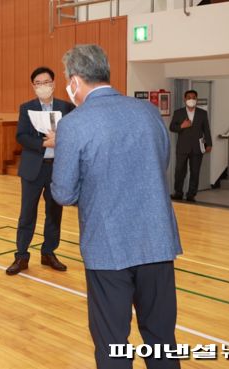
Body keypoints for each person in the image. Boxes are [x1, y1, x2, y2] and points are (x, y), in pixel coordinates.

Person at [51, 44, 182, 369]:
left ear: (76, 81)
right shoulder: (149, 112)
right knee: (162, 341)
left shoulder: (74, 124)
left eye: (68, 80)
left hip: (108, 248)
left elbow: (63, 193)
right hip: (156, 242)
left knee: (112, 345)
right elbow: (160, 163)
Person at [6, 67, 75, 275]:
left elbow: (74, 134)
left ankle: (48, 253)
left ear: (53, 84)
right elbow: (21, 136)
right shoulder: (26, 108)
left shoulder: (67, 107)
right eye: (38, 83)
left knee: (54, 214)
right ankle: (21, 255)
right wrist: (44, 143)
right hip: (33, 169)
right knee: (27, 213)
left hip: (57, 169)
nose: (43, 86)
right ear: (33, 86)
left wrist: (59, 140)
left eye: (46, 82)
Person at [169, 90, 212, 202]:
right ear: (185, 99)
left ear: (196, 99)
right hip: (182, 147)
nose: (191, 99)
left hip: (197, 148)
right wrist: (182, 126)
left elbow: (206, 129)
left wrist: (209, 144)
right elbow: (172, 127)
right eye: (189, 97)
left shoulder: (202, 113)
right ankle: (178, 192)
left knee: (195, 172)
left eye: (193, 97)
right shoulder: (178, 112)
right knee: (179, 171)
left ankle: (191, 194)